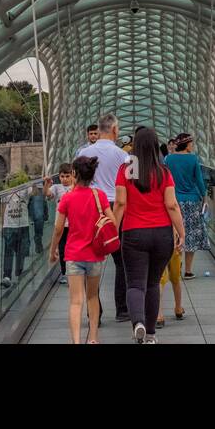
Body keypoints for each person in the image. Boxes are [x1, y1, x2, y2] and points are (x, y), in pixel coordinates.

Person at [115, 126, 185, 344]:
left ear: (135, 145)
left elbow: (120, 203)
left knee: (135, 284)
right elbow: (172, 205)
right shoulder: (164, 172)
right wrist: (181, 232)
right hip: (162, 234)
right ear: (156, 146)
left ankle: (138, 323)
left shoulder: (125, 170)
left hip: (134, 232)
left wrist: (112, 231)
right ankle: (152, 335)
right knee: (153, 283)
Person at [49, 156, 114, 344]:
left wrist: (53, 250)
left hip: (73, 255)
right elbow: (113, 221)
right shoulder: (99, 195)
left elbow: (59, 228)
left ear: (75, 174)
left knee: (76, 301)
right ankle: (93, 337)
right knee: (93, 296)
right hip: (94, 254)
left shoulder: (67, 198)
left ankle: (76, 341)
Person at [75, 113, 131, 322]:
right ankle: (123, 309)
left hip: (90, 207)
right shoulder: (125, 156)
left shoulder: (83, 153)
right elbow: (131, 188)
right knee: (121, 260)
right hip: (117, 208)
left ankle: (93, 313)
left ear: (98, 130)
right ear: (115, 130)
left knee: (90, 261)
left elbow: (77, 184)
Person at [164, 132, 208, 278]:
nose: (192, 146)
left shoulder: (168, 159)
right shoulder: (193, 159)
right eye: (191, 143)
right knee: (191, 234)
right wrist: (204, 196)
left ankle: (176, 264)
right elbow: (199, 180)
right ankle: (188, 270)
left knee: (175, 232)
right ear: (187, 144)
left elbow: (164, 179)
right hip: (192, 200)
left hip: (174, 200)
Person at [46, 164, 75, 283]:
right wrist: (46, 186)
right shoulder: (57, 188)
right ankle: (64, 272)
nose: (65, 179)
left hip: (74, 224)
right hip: (61, 224)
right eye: (62, 176)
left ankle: (73, 272)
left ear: (73, 175)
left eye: (67, 176)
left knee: (72, 249)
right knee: (63, 249)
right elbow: (48, 194)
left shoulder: (77, 187)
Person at [0, 183, 30, 289]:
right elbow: (3, 207)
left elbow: (34, 193)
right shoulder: (5, 192)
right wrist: (1, 224)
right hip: (9, 225)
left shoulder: (25, 190)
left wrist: (33, 184)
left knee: (20, 251)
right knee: (8, 251)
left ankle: (19, 272)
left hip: (23, 224)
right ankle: (7, 275)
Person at [28, 180, 49, 253]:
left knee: (39, 216)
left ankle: (38, 238)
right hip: (28, 184)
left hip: (39, 185)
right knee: (39, 216)